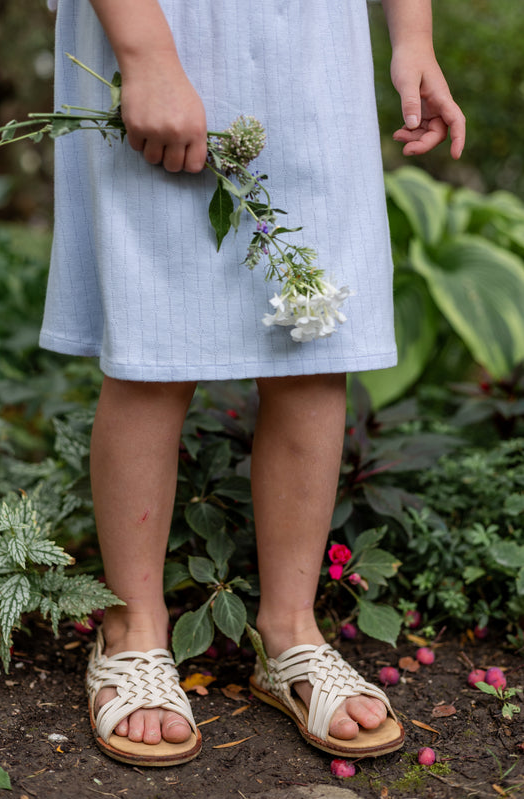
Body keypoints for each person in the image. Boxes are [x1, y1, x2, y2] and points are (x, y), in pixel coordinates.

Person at [43, 0, 465, 767]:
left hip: (311, 45)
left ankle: (290, 631)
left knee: (311, 342)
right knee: (152, 342)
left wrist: (413, 37)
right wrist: (144, 55)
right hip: (163, 28)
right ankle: (132, 630)